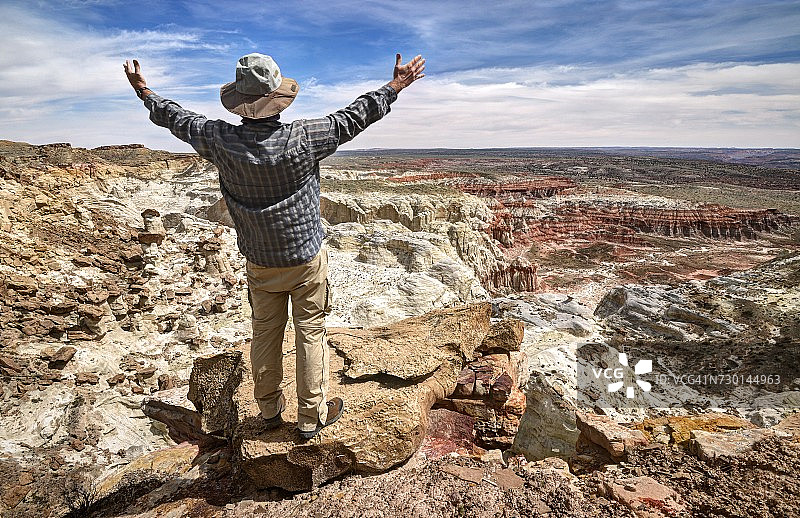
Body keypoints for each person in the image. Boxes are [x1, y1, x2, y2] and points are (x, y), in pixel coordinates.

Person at [123, 52, 425, 439]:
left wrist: (144, 91)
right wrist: (396, 85)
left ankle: (268, 409)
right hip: (305, 258)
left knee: (265, 332)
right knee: (311, 332)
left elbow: (176, 118)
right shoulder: (304, 137)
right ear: (279, 97)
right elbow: (355, 116)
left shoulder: (219, 140)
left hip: (260, 262)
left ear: (240, 102)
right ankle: (311, 416)